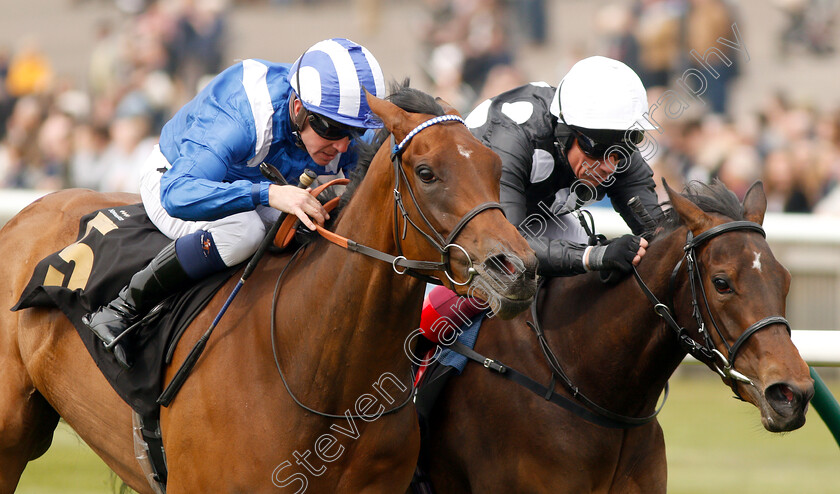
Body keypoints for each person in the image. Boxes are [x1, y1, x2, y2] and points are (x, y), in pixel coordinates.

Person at [83, 38, 386, 368]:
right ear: (298, 109)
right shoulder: (244, 115)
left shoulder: (334, 118)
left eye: (354, 133)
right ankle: (124, 306)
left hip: (258, 183)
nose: (342, 146)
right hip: (176, 179)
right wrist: (268, 194)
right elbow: (178, 194)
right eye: (332, 129)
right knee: (246, 231)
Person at [418, 56, 661, 365]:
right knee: (461, 301)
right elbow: (506, 245)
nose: (609, 165)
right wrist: (596, 256)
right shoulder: (510, 136)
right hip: (468, 231)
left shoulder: (609, 141)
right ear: (564, 131)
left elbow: (658, 228)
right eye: (598, 150)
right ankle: (422, 381)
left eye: (622, 150)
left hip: (542, 219)